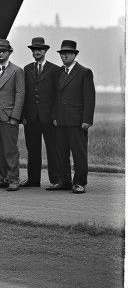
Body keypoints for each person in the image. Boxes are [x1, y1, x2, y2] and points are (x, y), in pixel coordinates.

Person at [49, 39, 95, 194]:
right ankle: (65, 181)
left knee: (79, 153)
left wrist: (87, 120)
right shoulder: (60, 72)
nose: (64, 56)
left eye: (68, 53)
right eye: (62, 53)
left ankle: (80, 183)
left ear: (75, 55)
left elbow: (89, 98)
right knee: (60, 152)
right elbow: (57, 96)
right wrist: (55, 116)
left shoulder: (84, 72)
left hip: (77, 122)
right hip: (61, 121)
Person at [22, 36, 60, 188]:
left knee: (53, 149)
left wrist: (55, 115)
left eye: (39, 50)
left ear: (45, 51)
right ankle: (33, 180)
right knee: (32, 150)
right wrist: (23, 116)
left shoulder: (55, 70)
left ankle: (56, 180)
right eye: (34, 50)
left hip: (49, 118)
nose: (36, 52)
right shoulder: (27, 69)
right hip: (31, 118)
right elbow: (24, 94)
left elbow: (58, 95)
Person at [0, 38, 25, 190]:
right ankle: (2, 177)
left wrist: (15, 117)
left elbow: (20, 94)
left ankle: (13, 179)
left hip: (9, 116)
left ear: (9, 53)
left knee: (10, 149)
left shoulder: (17, 71)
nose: (0, 54)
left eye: (3, 51)